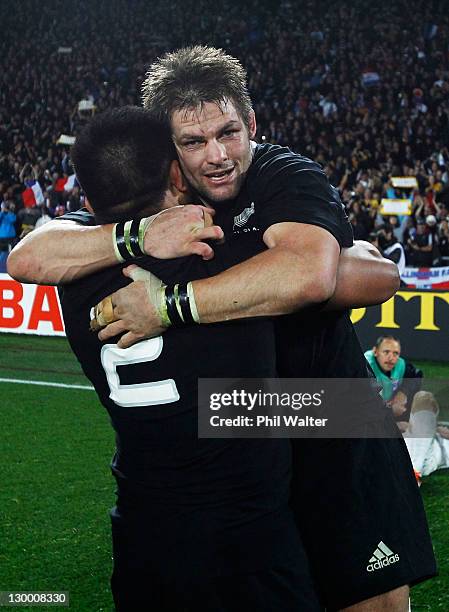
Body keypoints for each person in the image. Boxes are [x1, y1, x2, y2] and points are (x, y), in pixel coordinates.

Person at [7, 46, 436, 610]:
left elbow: (339, 275)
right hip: (244, 423)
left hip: (328, 415)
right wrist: (139, 236)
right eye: (192, 142)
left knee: (371, 600)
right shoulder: (148, 209)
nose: (216, 156)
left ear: (251, 124)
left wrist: (170, 305)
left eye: (229, 133)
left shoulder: (283, 174)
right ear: (169, 155)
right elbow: (28, 256)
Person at [59, 106, 322, 611]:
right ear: (178, 174)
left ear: (88, 201)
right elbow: (337, 275)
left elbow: (34, 251)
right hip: (248, 539)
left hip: (143, 532)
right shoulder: (227, 251)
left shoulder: (69, 277)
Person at [364, 336, 423, 426]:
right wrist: (390, 411)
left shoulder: (400, 364)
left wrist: (402, 393)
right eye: (386, 352)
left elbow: (417, 375)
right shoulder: (366, 366)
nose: (391, 358)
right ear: (375, 352)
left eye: (395, 353)